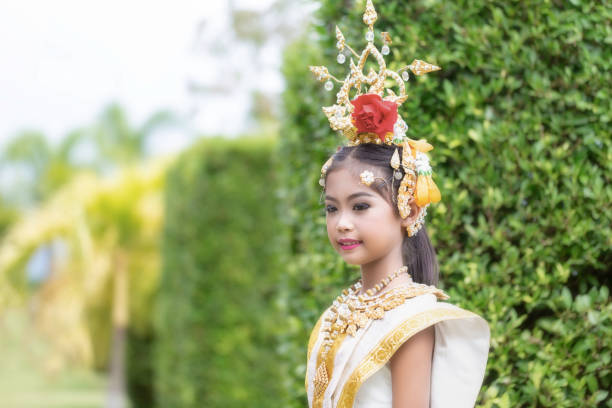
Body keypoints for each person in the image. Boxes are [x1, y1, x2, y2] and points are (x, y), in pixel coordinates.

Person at [304, 1, 490, 407]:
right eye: (332, 208)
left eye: (361, 206)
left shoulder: (413, 318)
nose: (342, 224)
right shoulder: (344, 307)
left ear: (408, 206)